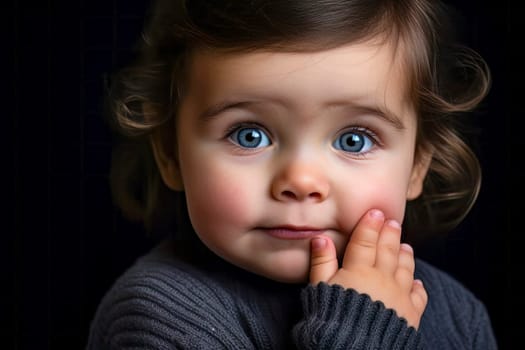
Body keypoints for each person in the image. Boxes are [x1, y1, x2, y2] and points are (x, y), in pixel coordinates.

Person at [87, 0, 498, 348]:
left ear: (417, 165)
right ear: (170, 155)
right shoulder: (158, 317)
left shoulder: (457, 314)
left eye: (354, 140)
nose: (301, 181)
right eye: (249, 135)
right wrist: (359, 333)